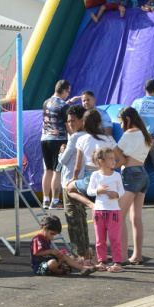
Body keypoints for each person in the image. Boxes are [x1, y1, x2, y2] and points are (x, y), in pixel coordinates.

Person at [113, 106, 152, 265]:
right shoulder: (145, 134)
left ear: (127, 119)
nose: (121, 125)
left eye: (121, 122)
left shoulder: (128, 135)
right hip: (143, 174)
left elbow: (116, 151)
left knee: (119, 217)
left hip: (130, 174)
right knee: (136, 218)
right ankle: (137, 255)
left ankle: (122, 256)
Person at [57, 104, 92, 262]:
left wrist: (61, 152)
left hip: (70, 181)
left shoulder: (76, 137)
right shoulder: (88, 135)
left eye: (73, 121)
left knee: (73, 218)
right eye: (69, 121)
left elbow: (64, 160)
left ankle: (78, 254)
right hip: (82, 181)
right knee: (81, 217)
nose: (70, 124)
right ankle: (85, 252)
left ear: (82, 120)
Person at [65, 109, 117, 209]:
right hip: (106, 175)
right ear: (100, 123)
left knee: (69, 188)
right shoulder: (108, 139)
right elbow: (121, 159)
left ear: (84, 123)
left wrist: (74, 178)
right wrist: (110, 168)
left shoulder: (82, 139)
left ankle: (91, 205)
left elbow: (78, 166)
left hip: (90, 177)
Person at [87, 147, 125, 272]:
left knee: (115, 238)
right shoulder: (95, 175)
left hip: (114, 211)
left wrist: (117, 195)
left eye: (114, 158)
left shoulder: (117, 175)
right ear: (101, 161)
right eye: (111, 158)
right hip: (99, 211)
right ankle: (102, 262)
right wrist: (98, 190)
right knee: (100, 239)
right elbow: (89, 191)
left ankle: (117, 263)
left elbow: (122, 190)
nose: (114, 161)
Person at [42, 80, 76, 210]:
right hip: (58, 139)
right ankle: (55, 200)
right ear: (64, 91)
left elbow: (54, 111)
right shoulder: (63, 106)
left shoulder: (46, 102)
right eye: (68, 92)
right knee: (57, 170)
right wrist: (74, 137)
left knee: (48, 170)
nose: (68, 95)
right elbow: (68, 125)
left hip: (45, 138)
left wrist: (69, 102)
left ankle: (46, 200)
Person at [30, 215, 96, 276]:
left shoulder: (47, 238)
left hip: (50, 263)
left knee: (66, 256)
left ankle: (83, 269)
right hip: (40, 267)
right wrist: (51, 251)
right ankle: (60, 271)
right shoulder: (37, 239)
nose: (52, 237)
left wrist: (57, 254)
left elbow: (50, 253)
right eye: (51, 234)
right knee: (52, 262)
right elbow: (36, 253)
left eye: (54, 235)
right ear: (44, 228)